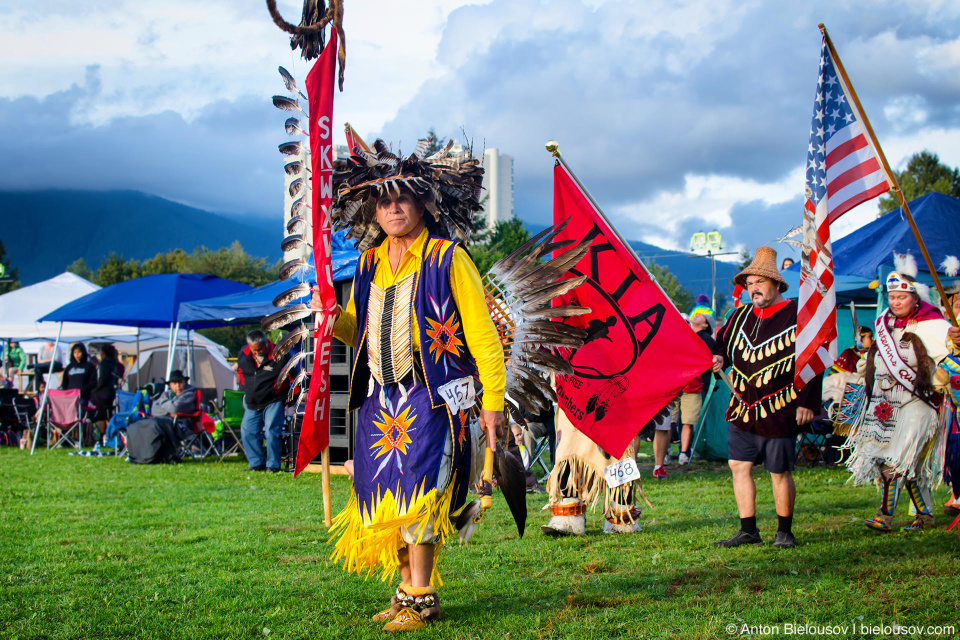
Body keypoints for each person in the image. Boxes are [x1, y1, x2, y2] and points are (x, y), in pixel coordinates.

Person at [322, 139, 505, 632]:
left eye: (403, 197)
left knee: (422, 496)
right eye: (383, 200)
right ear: (372, 210)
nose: (394, 207)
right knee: (386, 498)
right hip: (379, 400)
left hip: (432, 396)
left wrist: (491, 404)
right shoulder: (366, 265)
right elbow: (356, 330)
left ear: (425, 203)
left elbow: (484, 336)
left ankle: (421, 597)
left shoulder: (448, 258)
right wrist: (327, 318)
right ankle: (405, 591)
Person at [711, 247, 821, 548]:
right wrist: (719, 357)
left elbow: (814, 357)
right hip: (742, 407)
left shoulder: (797, 315)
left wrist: (808, 401)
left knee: (779, 471)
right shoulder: (739, 316)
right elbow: (721, 345)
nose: (754, 288)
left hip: (781, 407)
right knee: (738, 466)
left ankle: (784, 532)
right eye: (749, 284)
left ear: (777, 284)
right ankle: (749, 530)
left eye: (759, 281)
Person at [846, 255, 952, 532]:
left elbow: (950, 358)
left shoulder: (934, 324)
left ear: (915, 298)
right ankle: (925, 516)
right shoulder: (884, 324)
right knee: (905, 463)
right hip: (885, 404)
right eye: (891, 296)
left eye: (901, 297)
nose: (895, 302)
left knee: (896, 460)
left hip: (918, 404)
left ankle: (885, 516)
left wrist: (955, 341)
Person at [237, 330, 290, 473]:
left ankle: (273, 465)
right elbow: (241, 372)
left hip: (273, 400)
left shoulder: (280, 354)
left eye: (260, 348)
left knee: (272, 431)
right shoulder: (244, 354)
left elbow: (291, 374)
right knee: (247, 431)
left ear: (266, 343)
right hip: (252, 402)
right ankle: (256, 464)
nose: (257, 352)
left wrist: (287, 395)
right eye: (254, 350)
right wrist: (245, 386)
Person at [675, 297, 716, 465]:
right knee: (674, 422)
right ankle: (673, 450)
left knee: (688, 422)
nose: (697, 314)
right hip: (677, 385)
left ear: (706, 325)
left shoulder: (706, 339)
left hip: (695, 386)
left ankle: (684, 452)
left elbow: (709, 363)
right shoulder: (683, 333)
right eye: (696, 314)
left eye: (702, 316)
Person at [91, 344, 122, 443]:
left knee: (102, 415)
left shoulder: (104, 363)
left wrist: (96, 389)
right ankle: (110, 434)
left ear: (103, 353)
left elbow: (102, 379)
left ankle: (102, 436)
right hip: (111, 392)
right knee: (109, 414)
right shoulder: (114, 363)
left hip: (103, 393)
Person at [152, 370, 198, 434]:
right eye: (174, 383)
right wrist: (169, 413)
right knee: (147, 424)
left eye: (180, 382)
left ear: (185, 382)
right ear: (170, 385)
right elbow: (154, 409)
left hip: (183, 427)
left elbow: (175, 408)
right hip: (167, 423)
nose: (178, 386)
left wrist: (163, 404)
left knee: (155, 426)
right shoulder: (166, 394)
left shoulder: (190, 394)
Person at [59, 343, 97, 407]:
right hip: (70, 397)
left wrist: (83, 389)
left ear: (83, 352)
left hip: (83, 397)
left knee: (80, 414)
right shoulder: (69, 367)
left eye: (79, 352)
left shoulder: (89, 366)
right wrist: (67, 391)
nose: (77, 355)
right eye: (75, 353)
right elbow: (65, 381)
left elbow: (93, 382)